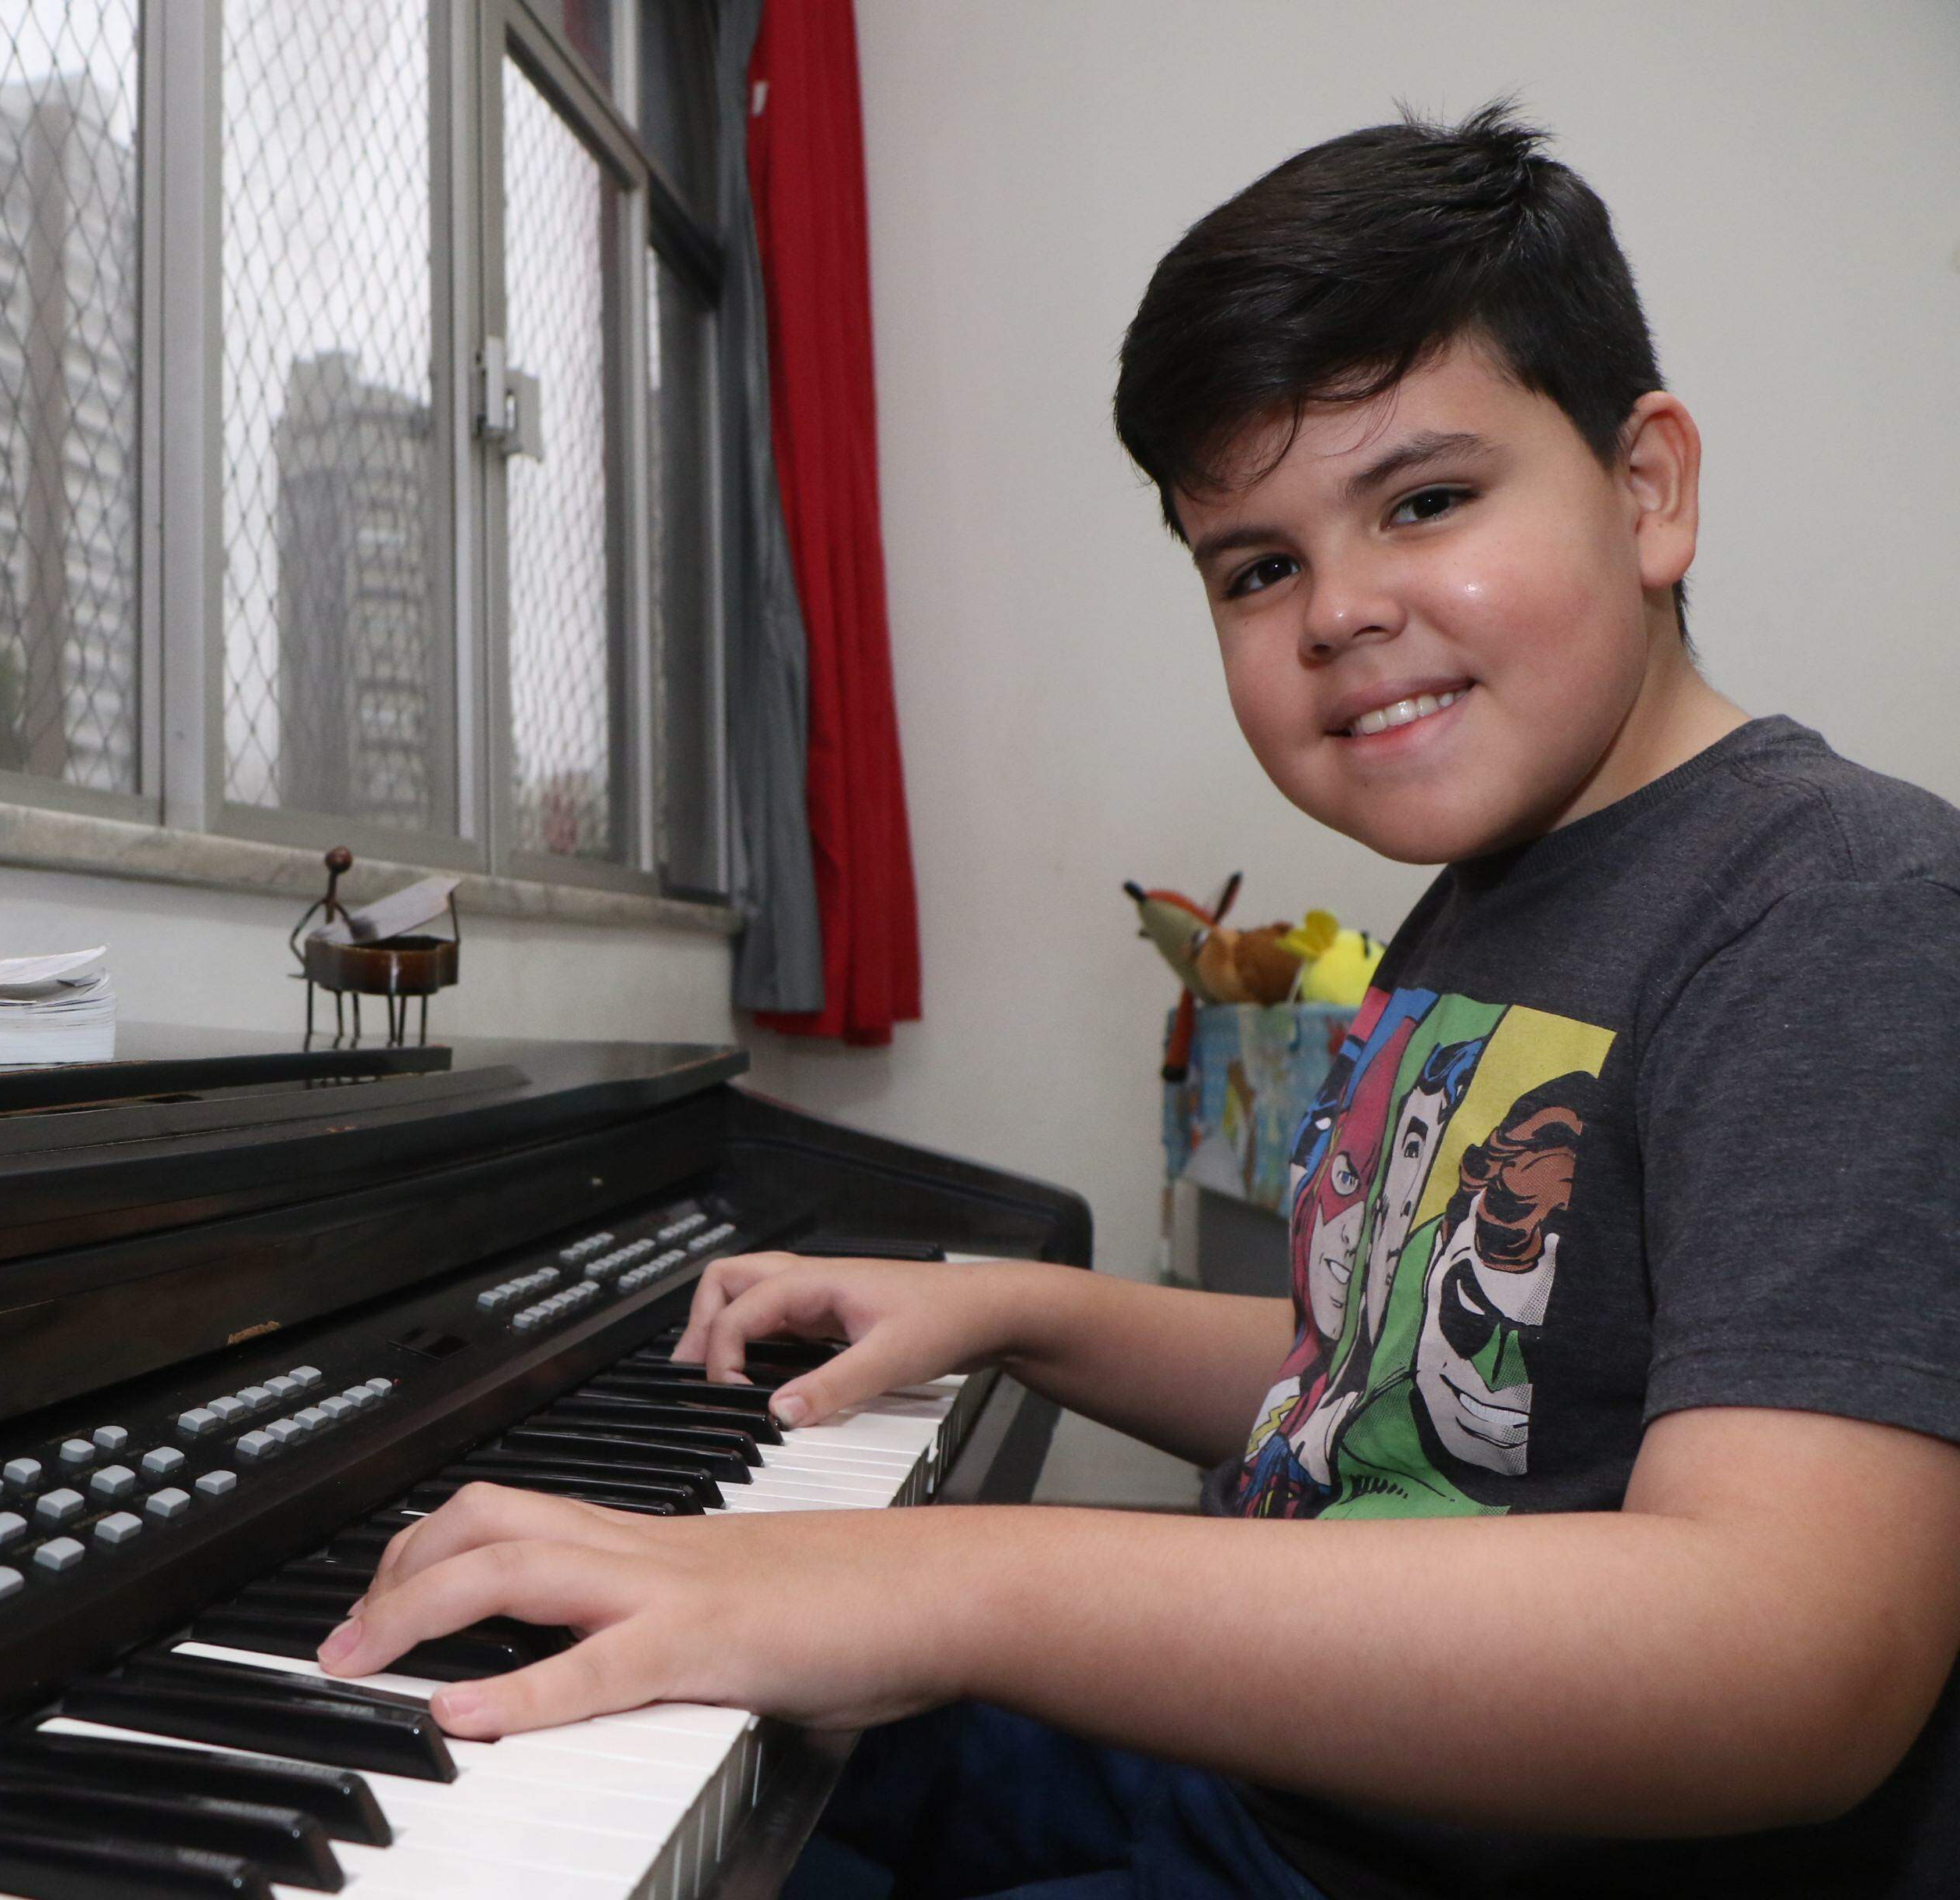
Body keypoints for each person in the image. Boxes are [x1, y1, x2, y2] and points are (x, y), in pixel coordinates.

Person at [321, 103, 1960, 1898]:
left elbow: (1795, 1658)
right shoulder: (1481, 909)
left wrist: (940, 1580)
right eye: (1257, 565)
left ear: (1649, 487)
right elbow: (1404, 1379)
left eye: (1425, 499)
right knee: (625, 1745)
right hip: (1277, 1794)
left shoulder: (1839, 907)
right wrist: (1011, 1308)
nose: (1338, 611)